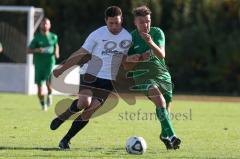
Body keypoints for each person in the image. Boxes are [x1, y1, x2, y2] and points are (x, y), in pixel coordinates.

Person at [50, 6, 132, 149]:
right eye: (111, 23)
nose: (114, 26)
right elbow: (80, 53)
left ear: (122, 20)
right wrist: (63, 68)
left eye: (117, 23)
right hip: (91, 72)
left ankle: (66, 140)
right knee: (83, 103)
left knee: (89, 111)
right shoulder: (97, 34)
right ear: (106, 20)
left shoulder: (127, 37)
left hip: (108, 79)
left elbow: (124, 60)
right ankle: (64, 115)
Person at [126, 6, 181, 150]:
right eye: (142, 22)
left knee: (166, 107)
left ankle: (164, 135)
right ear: (135, 23)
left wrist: (150, 42)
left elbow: (162, 55)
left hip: (162, 75)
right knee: (160, 101)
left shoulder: (157, 33)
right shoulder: (130, 38)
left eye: (148, 21)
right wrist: (133, 59)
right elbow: (125, 66)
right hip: (143, 77)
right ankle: (173, 136)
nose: (146, 25)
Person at [28, 18, 60, 111]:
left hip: (49, 63)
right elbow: (28, 50)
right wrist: (36, 50)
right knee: (39, 88)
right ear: (40, 26)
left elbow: (56, 45)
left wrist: (57, 52)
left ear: (49, 26)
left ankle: (49, 94)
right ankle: (43, 104)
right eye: (43, 24)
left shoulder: (53, 36)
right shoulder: (36, 38)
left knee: (48, 82)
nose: (44, 25)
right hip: (38, 65)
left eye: (46, 24)